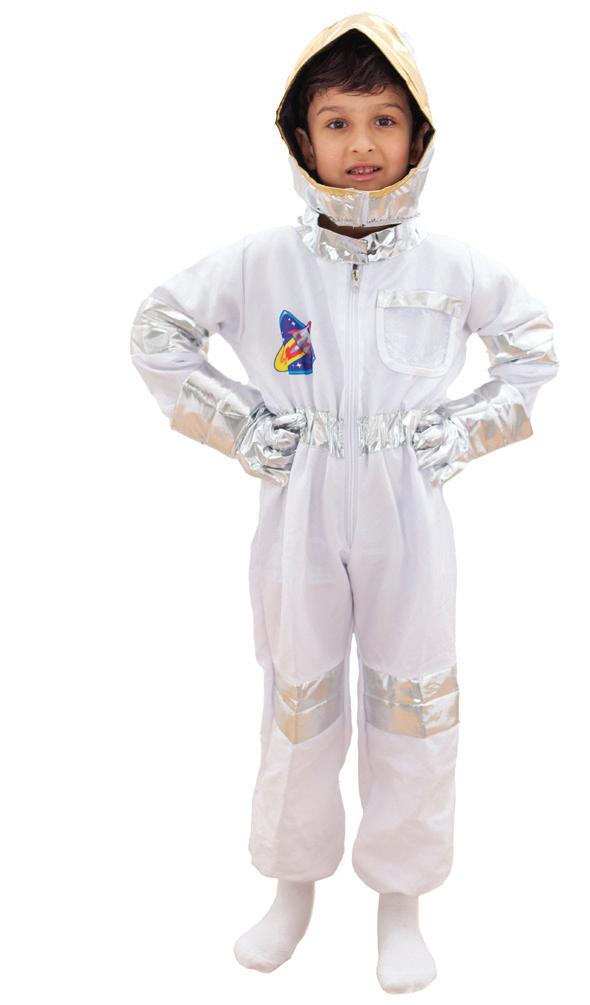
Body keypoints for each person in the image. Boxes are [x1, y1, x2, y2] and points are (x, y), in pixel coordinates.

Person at [129, 11, 559, 994]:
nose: (361, 144)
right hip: (302, 504)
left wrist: (464, 431)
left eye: (383, 120)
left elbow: (532, 347)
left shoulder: (452, 267)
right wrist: (239, 428)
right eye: (336, 122)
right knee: (299, 691)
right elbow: (157, 329)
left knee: (414, 696)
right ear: (300, 137)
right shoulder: (260, 263)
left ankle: (401, 900)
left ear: (418, 135)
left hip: (409, 508)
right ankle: (292, 885)